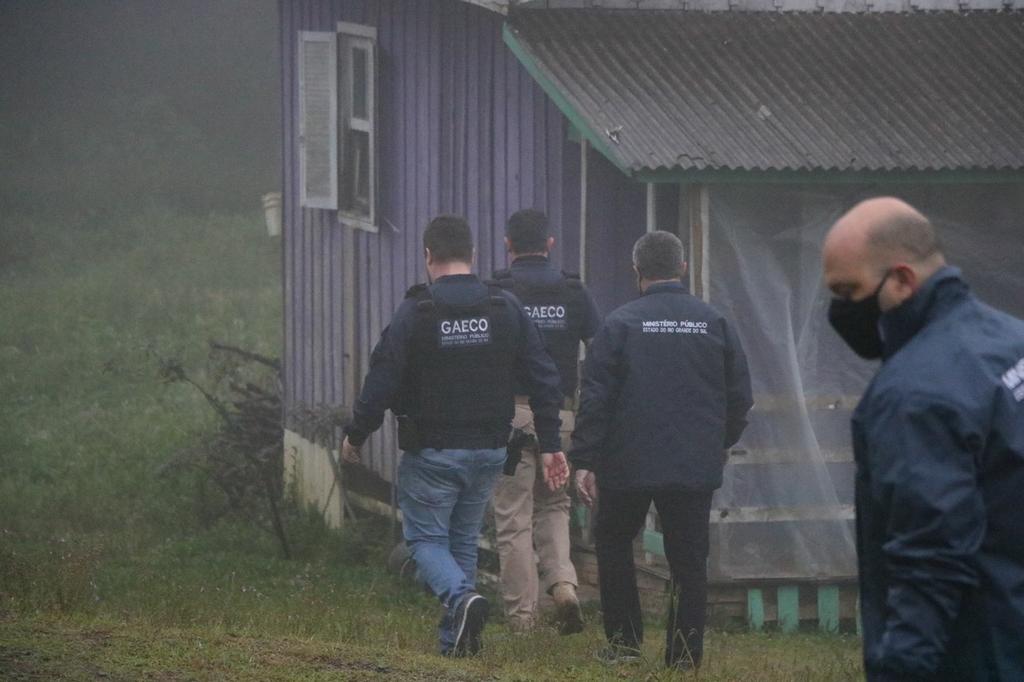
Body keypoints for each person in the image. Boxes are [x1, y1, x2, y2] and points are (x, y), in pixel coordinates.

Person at [340, 215, 569, 658]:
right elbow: (545, 378)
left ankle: (462, 600)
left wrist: (356, 435)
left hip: (432, 453)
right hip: (489, 451)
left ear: (427, 255)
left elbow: (381, 380)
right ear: (474, 255)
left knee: (424, 541)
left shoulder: (416, 311)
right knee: (461, 541)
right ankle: (459, 643)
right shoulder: (505, 307)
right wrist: (552, 444)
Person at [822, 197, 1024, 681]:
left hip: (975, 652)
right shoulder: (1010, 341)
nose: (840, 311)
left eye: (849, 291)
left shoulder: (915, 394)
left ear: (902, 280)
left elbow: (929, 560)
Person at [570, 231, 752, 669]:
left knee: (613, 542)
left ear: (638, 272)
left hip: (627, 464)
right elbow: (740, 398)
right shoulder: (714, 324)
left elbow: (596, 399)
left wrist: (585, 460)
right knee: (689, 562)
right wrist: (716, 442)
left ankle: (624, 645)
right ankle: (684, 658)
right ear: (682, 269)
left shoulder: (619, 324)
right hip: (692, 465)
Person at [489, 209, 602, 634]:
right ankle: (564, 586)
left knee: (513, 516)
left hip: (511, 416)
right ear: (550, 244)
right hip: (563, 414)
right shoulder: (573, 290)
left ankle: (523, 620)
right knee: (554, 505)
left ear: (508, 244)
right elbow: (601, 346)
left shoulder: (497, 291)